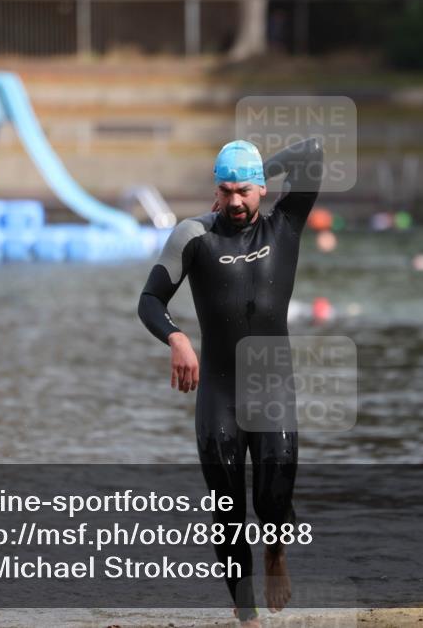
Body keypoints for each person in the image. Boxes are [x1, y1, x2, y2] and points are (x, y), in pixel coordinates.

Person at [138, 138, 323, 627]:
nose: (236, 202)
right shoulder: (193, 235)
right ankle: (247, 615)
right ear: (215, 191)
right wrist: (177, 339)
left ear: (262, 188)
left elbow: (314, 152)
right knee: (228, 511)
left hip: (273, 390)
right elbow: (150, 301)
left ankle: (276, 553)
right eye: (226, 191)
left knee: (274, 500)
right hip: (218, 392)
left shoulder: (286, 224)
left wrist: (267, 165)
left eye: (245, 190)